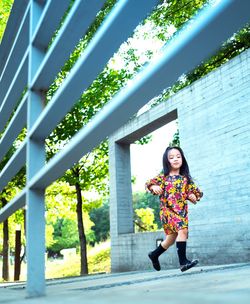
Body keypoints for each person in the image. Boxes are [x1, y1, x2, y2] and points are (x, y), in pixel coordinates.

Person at [145, 146, 203, 272]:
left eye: (178, 156)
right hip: (168, 211)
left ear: (182, 159)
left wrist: (193, 196)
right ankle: (183, 262)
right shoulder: (163, 178)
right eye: (171, 157)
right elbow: (148, 184)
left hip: (181, 212)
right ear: (167, 161)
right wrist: (153, 187)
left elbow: (197, 193)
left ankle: (154, 254)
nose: (175, 159)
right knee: (183, 230)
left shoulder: (185, 179)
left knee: (171, 239)